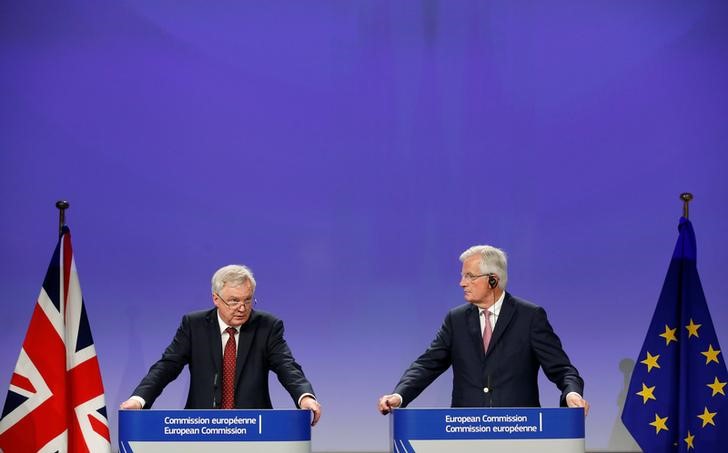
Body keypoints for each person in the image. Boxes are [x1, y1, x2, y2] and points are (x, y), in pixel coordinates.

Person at [378, 245, 588, 415]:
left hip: (519, 431)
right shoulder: (456, 319)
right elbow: (427, 364)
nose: (462, 283)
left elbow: (562, 369)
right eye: (463, 276)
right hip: (465, 430)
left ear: (493, 280)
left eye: (470, 276)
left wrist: (572, 394)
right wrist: (399, 395)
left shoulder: (530, 317)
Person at [120, 264, 321, 426]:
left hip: (255, 428)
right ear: (216, 299)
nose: (242, 308)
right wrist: (139, 399)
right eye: (234, 301)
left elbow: (286, 365)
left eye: (248, 300)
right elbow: (166, 366)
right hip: (200, 426)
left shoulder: (267, 326)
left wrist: (304, 396)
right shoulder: (194, 325)